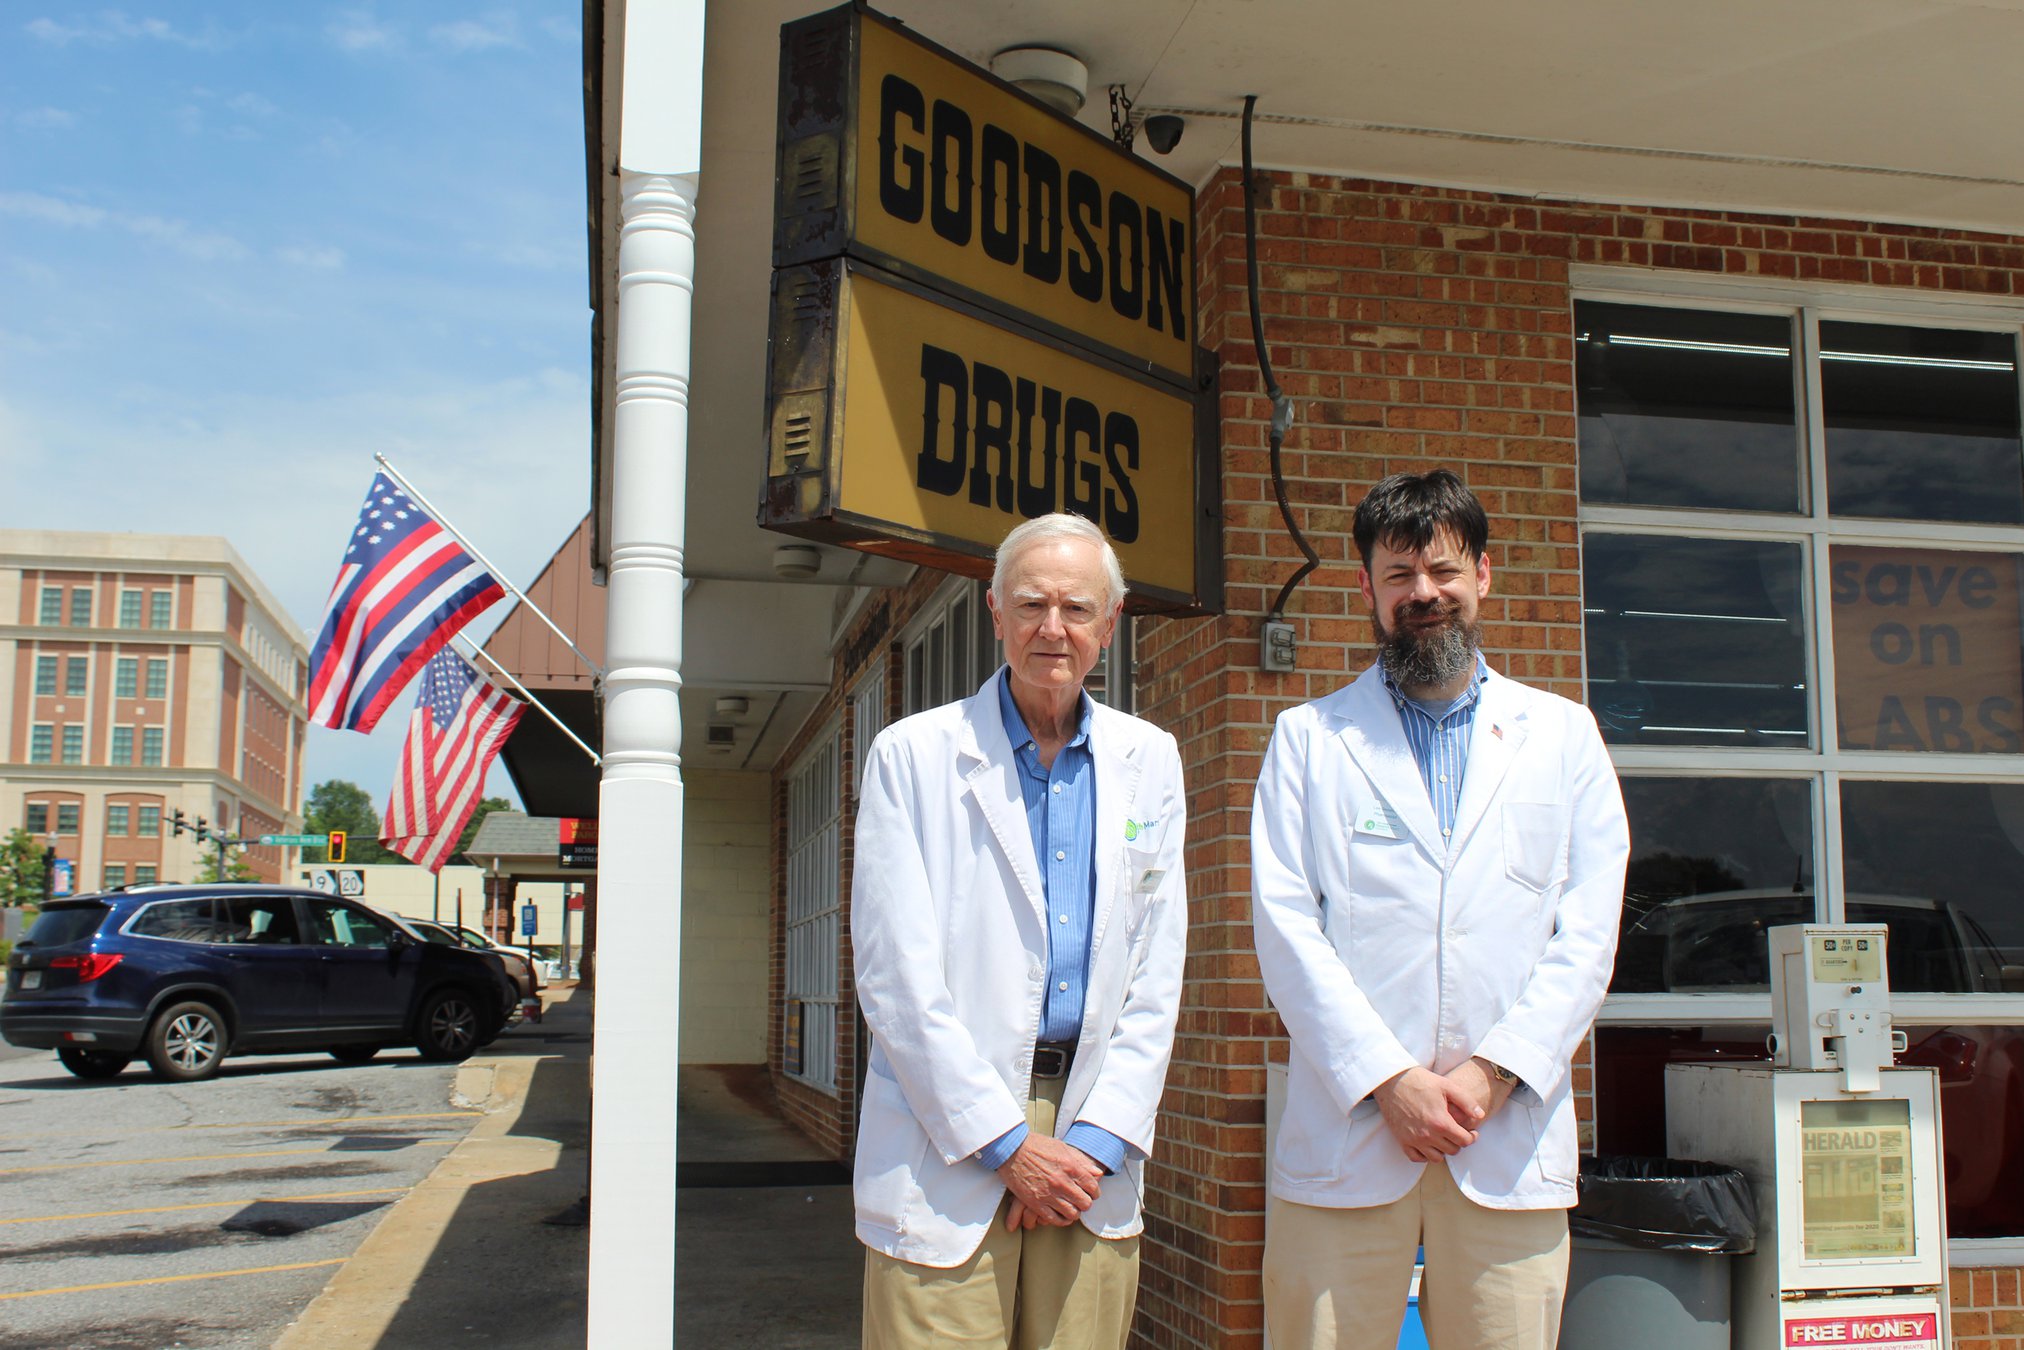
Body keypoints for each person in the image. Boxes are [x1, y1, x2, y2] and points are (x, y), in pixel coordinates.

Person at [1250, 469, 1629, 1350]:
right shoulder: (1308, 740)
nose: (1424, 594)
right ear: (1369, 590)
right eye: (1400, 576)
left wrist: (1491, 1075)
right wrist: (1389, 1081)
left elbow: (1588, 934)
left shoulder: (1562, 736)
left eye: (1444, 571)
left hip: (1507, 1139)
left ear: (1483, 575)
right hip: (1349, 1136)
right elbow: (1284, 927)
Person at [852, 513, 1189, 1350]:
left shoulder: (1151, 759)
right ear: (994, 613)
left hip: (1089, 1148)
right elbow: (897, 978)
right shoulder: (912, 755)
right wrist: (1004, 1144)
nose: (1053, 628)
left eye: (1077, 609)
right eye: (1031, 603)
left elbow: (1157, 966)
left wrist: (1098, 1139)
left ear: (1108, 625)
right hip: (950, 1137)